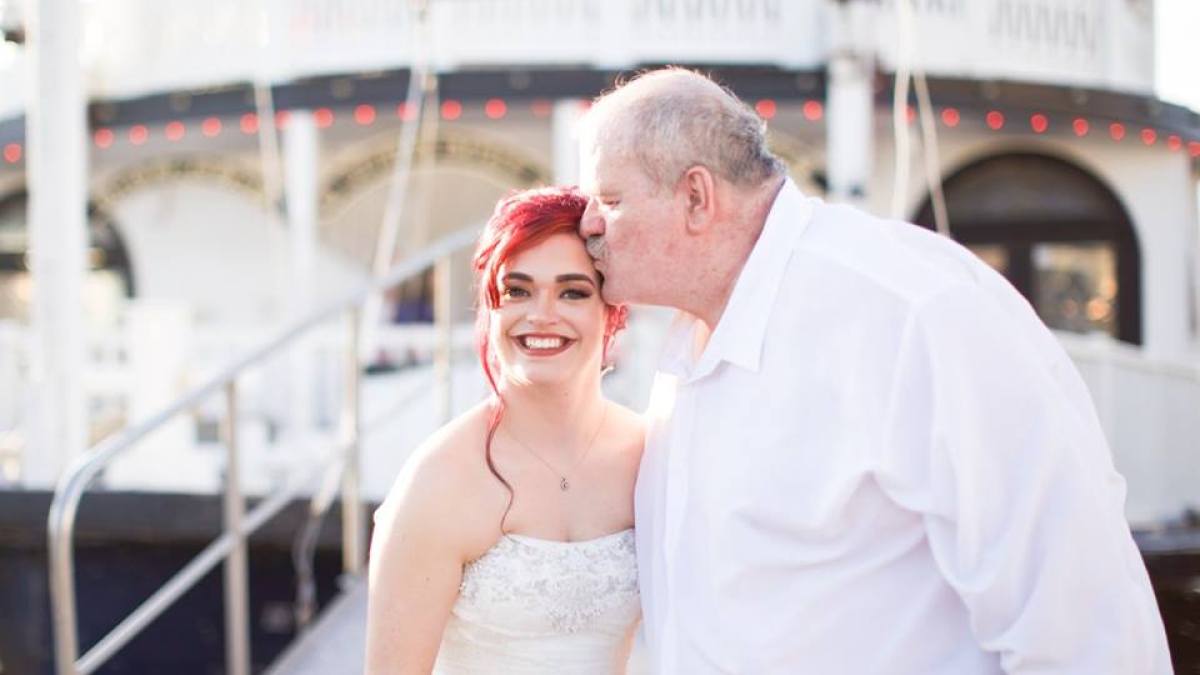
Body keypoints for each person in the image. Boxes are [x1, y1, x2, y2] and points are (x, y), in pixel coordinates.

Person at [577, 67, 1172, 674]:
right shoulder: (684, 344)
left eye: (610, 200)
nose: (588, 224)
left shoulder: (910, 311)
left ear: (696, 198)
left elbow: (1080, 617)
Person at [365, 186, 645, 674]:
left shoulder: (649, 454)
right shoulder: (440, 479)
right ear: (490, 310)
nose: (541, 315)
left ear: (612, 312)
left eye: (572, 292)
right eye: (517, 291)